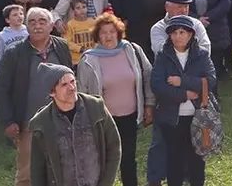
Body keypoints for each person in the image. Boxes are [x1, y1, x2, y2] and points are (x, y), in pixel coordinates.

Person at [0, 7, 74, 186]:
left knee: (63, 169)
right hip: (29, 123)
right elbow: (1, 88)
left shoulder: (61, 46)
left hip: (61, 121)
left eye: (42, 22)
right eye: (32, 22)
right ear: (26, 26)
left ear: (51, 25)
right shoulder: (14, 53)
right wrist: (8, 120)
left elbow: (71, 79)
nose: (37, 26)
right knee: (27, 175)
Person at [76, 13, 153, 186]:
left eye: (112, 31)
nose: (108, 36)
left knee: (128, 159)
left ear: (118, 33)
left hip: (130, 116)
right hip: (103, 120)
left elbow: (148, 76)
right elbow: (82, 92)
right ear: (97, 36)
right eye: (103, 32)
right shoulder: (88, 59)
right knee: (103, 162)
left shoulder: (132, 50)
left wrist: (149, 104)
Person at [28, 62, 122, 186]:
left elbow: (114, 147)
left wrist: (106, 183)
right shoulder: (42, 123)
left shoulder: (95, 108)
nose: (72, 87)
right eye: (64, 85)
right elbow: (37, 170)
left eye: (73, 81)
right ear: (52, 92)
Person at [150, 15, 216, 186]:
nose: (178, 36)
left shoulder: (201, 55)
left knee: (197, 159)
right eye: (174, 33)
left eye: (182, 32)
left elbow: (210, 80)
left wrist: (183, 82)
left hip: (197, 116)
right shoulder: (163, 57)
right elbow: (157, 85)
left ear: (190, 34)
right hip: (171, 118)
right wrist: (184, 95)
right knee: (174, 160)